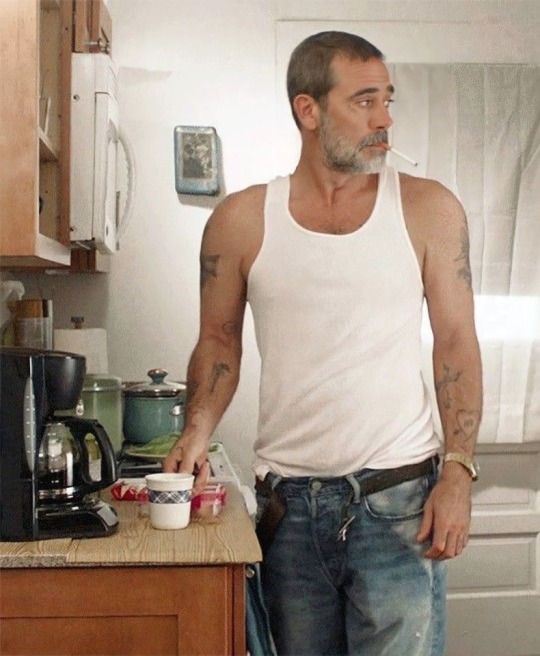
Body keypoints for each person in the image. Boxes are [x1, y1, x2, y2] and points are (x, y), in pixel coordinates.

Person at [163, 30, 483, 656]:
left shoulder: (429, 210)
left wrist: (459, 472)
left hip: (398, 503)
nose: (384, 119)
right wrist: (195, 432)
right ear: (307, 110)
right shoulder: (240, 220)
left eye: (387, 100)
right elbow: (219, 342)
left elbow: (455, 344)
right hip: (289, 512)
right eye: (364, 101)